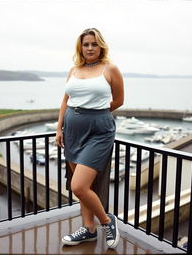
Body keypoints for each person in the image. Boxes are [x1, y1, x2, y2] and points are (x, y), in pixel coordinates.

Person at [55, 28, 124, 249]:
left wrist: (96, 112)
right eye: (86, 44)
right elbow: (66, 101)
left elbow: (119, 100)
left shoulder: (110, 69)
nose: (90, 48)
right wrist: (59, 128)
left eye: (94, 44)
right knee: (85, 187)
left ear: (101, 46)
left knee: (79, 186)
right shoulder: (74, 70)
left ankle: (106, 221)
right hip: (73, 131)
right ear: (80, 47)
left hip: (99, 132)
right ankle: (88, 229)